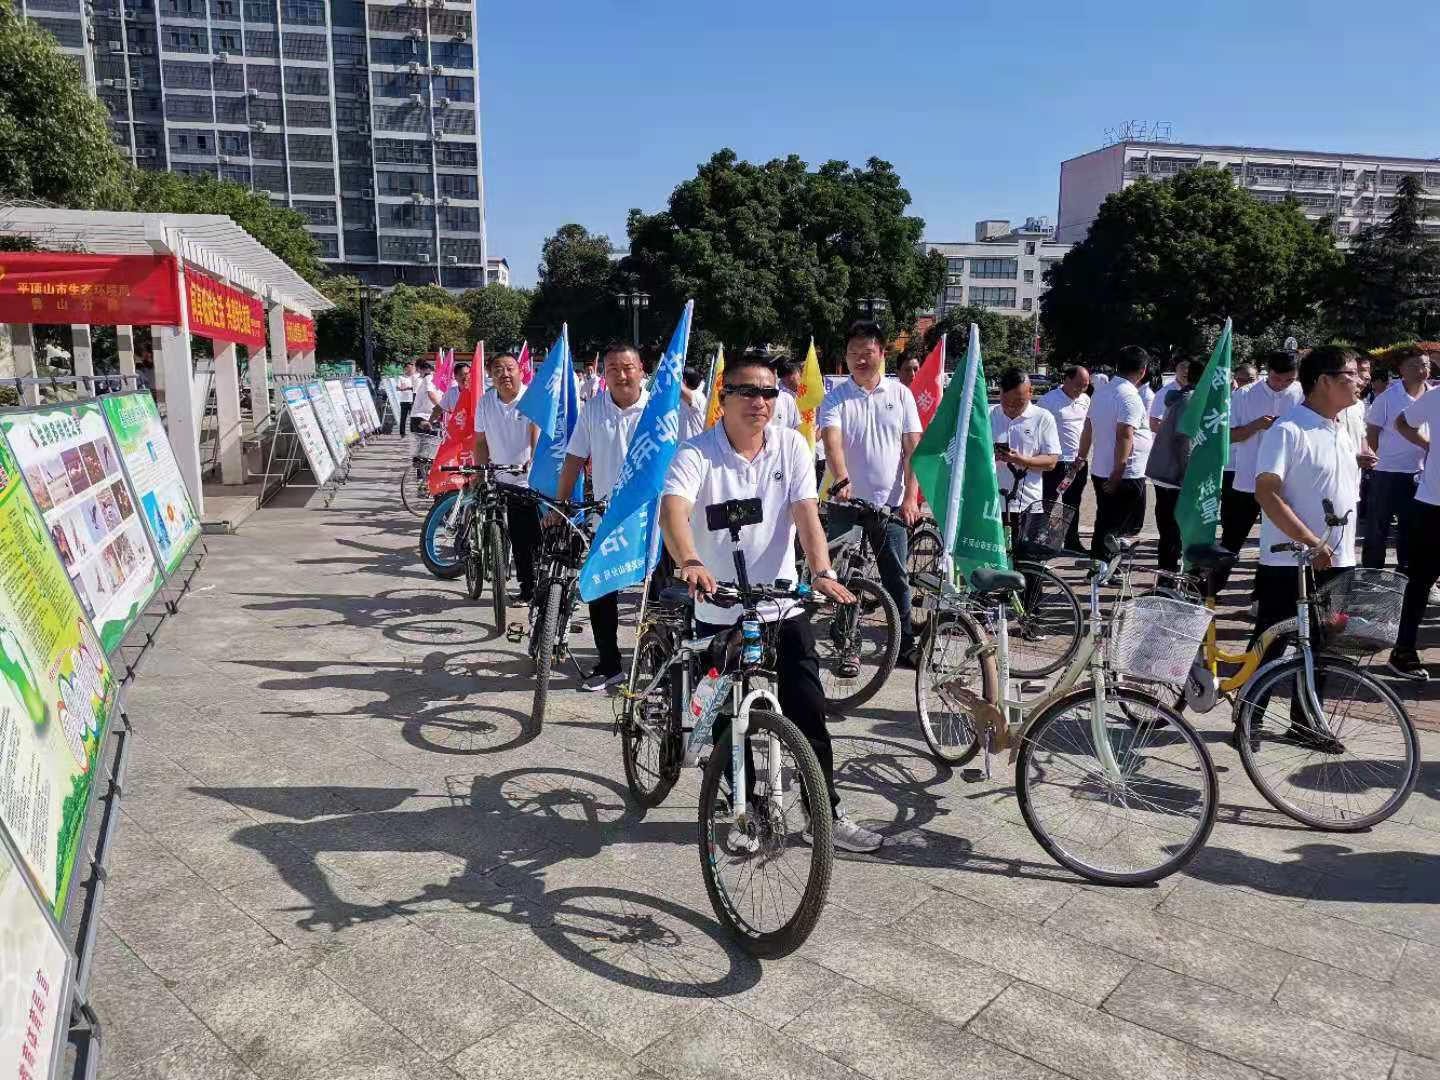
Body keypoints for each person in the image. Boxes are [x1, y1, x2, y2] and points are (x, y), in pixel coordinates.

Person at [659, 351, 881, 853]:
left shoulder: (790, 445)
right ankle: (742, 807)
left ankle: (824, 812)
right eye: (747, 392)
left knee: (809, 710)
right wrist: (690, 559)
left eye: (768, 392)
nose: (759, 402)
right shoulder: (697, 452)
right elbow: (673, 510)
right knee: (725, 717)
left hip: (779, 604)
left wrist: (821, 571)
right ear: (725, 398)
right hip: (719, 605)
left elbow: (806, 515)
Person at [1251, 345, 1363, 746]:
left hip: (1337, 558)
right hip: (1291, 561)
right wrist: (1311, 542)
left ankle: (1305, 722)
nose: (1360, 381)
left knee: (1322, 645)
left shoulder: (1341, 428)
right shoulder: (1289, 429)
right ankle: (1249, 717)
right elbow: (1266, 493)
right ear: (1324, 381)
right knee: (1273, 641)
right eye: (1351, 374)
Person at [818, 320, 924, 666]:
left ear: (882, 353)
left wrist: (910, 498)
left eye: (867, 353)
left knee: (896, 577)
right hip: (845, 504)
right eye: (853, 353)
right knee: (844, 575)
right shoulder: (835, 397)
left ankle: (905, 643)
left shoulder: (901, 394)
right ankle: (847, 643)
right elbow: (831, 440)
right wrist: (841, 477)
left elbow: (912, 448)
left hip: (890, 505)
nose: (860, 360)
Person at [550, 342, 650, 691]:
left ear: (641, 370)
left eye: (628, 367)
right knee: (600, 590)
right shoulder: (593, 409)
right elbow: (575, 459)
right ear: (603, 374)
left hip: (652, 518)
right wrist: (560, 504)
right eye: (613, 369)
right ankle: (610, 665)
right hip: (607, 516)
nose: (621, 375)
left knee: (657, 595)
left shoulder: (659, 409)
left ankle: (659, 661)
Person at [1217, 350, 1302, 600]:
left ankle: (1263, 596)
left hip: (1286, 482)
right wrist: (1256, 425)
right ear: (1267, 371)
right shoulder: (1244, 394)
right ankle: (1210, 590)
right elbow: (1228, 435)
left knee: (1277, 542)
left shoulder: (1302, 394)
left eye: (1289, 380)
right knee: (1232, 538)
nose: (1282, 384)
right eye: (1277, 378)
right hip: (1248, 479)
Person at [474, 352, 541, 604]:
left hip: (529, 479)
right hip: (501, 477)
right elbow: (480, 441)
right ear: (491, 375)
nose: (504, 374)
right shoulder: (485, 402)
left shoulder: (531, 398)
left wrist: (533, 459)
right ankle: (525, 587)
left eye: (510, 368)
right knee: (515, 536)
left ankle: (539, 588)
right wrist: (480, 471)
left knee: (532, 537)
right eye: (498, 370)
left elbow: (536, 432)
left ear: (520, 371)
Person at [1076, 346, 1151, 561]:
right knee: (1115, 528)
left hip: (1103, 469)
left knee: (1105, 522)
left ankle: (1099, 566)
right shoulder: (1129, 396)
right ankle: (1106, 568)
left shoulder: (1102, 392)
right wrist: (1118, 472)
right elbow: (1124, 435)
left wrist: (1081, 456)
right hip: (1124, 474)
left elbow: (1088, 427)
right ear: (1143, 371)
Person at [1389, 367, 1440, 679]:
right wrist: (1427, 445)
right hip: (1433, 503)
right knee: (1420, 581)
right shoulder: (1436, 397)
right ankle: (1403, 649)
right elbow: (1402, 422)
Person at [1364, 347, 1431, 574]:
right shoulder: (1387, 398)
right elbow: (1372, 431)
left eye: (1425, 365)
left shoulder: (1433, 395)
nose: (1422, 370)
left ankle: (1405, 572)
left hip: (1421, 473)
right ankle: (1372, 572)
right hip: (1387, 471)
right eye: (1415, 366)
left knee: (1411, 527)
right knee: (1378, 526)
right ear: (1401, 369)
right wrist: (1375, 460)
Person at [1144, 359, 1198, 572]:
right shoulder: (1188, 400)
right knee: (1172, 532)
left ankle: (1168, 575)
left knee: (1170, 532)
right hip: (1175, 476)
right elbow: (1183, 442)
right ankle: (1168, 578)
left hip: (1168, 474)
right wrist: (1188, 478)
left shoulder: (1182, 397)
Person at [991, 370, 1060, 519]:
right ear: (1000, 393)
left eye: (1018, 402)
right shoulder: (987, 415)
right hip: (990, 504)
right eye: (1006, 402)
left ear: (1030, 392)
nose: (1011, 407)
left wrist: (1020, 459)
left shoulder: (1043, 417)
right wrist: (990, 455)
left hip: (1027, 505)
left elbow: (1051, 462)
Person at [1038, 365, 1091, 553]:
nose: (1081, 389)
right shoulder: (1048, 400)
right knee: (1047, 502)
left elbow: (1087, 429)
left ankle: (1071, 541)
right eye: (1079, 384)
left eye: (1086, 385)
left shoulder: (1085, 400)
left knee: (1072, 503)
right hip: (1056, 462)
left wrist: (1082, 456)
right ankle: (1040, 540)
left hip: (1078, 462)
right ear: (1066, 379)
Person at [767, 355, 801, 430]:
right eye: (785, 383)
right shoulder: (783, 395)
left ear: (798, 372)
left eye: (791, 382)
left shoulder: (812, 385)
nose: (789, 386)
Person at [678, 366, 707, 443]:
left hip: (694, 446)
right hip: (684, 445)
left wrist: (673, 374)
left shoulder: (697, 395)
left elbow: (681, 389)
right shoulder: (684, 397)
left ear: (684, 381)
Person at [397, 360, 417, 433]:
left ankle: (413, 433)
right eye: (408, 367)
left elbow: (416, 388)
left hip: (413, 400)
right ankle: (402, 433)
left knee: (413, 418)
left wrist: (407, 388)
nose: (410, 369)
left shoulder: (414, 378)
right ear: (405, 368)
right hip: (404, 400)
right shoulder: (401, 377)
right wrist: (407, 388)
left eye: (411, 367)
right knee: (403, 418)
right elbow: (398, 388)